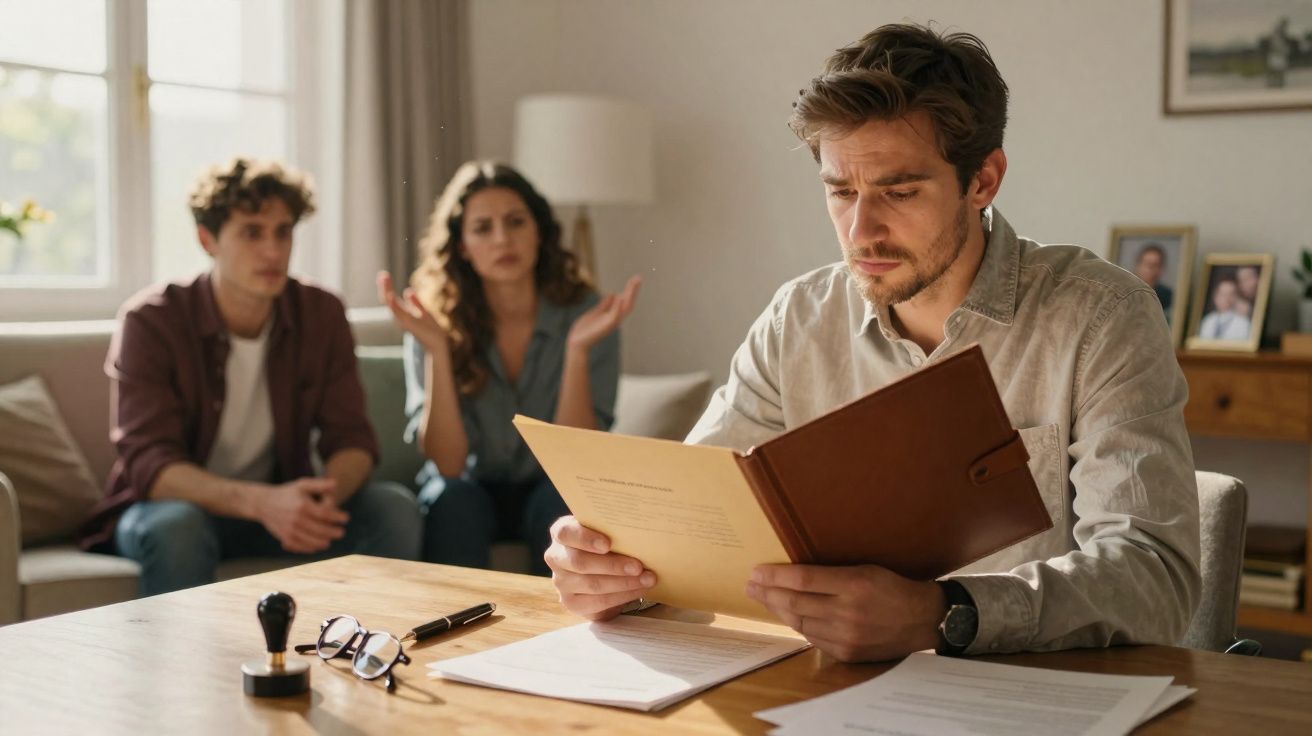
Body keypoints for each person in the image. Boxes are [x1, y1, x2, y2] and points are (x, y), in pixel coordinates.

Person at [545, 24, 1200, 662]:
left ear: (983, 181)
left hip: (1034, 696)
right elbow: (691, 527)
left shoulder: (1100, 315)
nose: (862, 230)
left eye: (899, 191)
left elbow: (1155, 579)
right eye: (840, 191)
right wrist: (616, 572)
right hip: (823, 694)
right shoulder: (798, 318)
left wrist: (940, 614)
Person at [82, 158, 423, 595]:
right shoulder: (152, 320)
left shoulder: (320, 313)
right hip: (174, 509)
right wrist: (263, 504)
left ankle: (373, 658)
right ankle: (181, 666)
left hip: (284, 503)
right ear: (208, 239)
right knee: (178, 526)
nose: (273, 251)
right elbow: (151, 465)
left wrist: (316, 504)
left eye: (283, 232)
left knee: (392, 508)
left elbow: (353, 440)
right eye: (252, 232)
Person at [379, 161, 640, 576]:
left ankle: (562, 636)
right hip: (468, 487)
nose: (503, 238)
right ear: (462, 244)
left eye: (516, 222)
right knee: (453, 497)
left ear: (539, 231)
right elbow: (448, 464)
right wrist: (438, 352)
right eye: (483, 227)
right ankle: (459, 633)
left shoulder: (587, 315)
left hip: (548, 483)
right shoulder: (430, 323)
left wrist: (575, 351)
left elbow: (574, 459)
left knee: (563, 502)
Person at [1132, 243, 1172, 313]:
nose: (1150, 269)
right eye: (1147, 264)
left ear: (1161, 269)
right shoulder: (1126, 291)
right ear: (1138, 265)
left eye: (1156, 265)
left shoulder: (1168, 296)